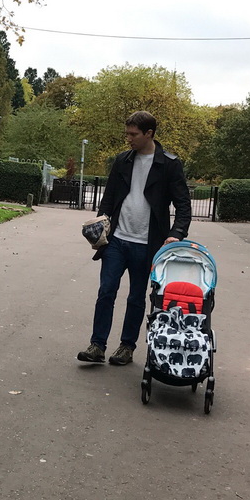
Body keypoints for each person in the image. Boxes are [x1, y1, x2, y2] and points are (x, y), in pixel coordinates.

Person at [77, 111, 192, 366]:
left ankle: (127, 347)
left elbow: (183, 206)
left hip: (148, 244)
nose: (128, 138)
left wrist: (176, 235)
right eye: (127, 133)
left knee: (136, 297)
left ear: (149, 133)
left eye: (133, 134)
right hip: (116, 239)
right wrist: (100, 225)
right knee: (106, 291)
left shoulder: (170, 164)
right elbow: (108, 198)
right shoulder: (122, 161)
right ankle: (97, 345)